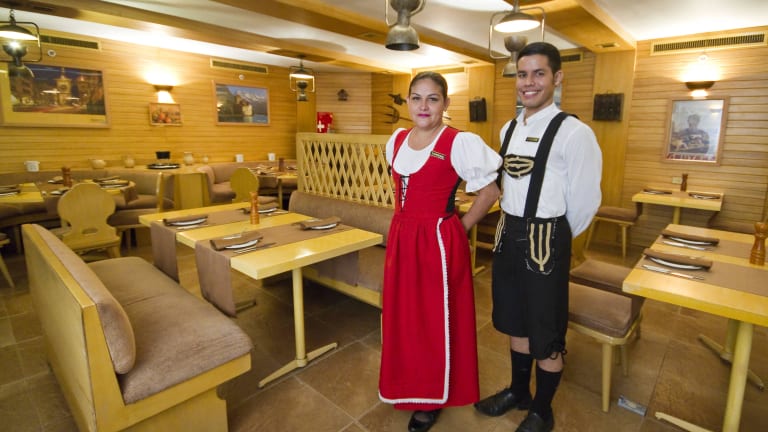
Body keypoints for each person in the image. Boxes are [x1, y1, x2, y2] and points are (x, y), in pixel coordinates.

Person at [474, 42, 602, 432]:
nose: (529, 82)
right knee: (515, 322)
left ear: (557, 78)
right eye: (523, 74)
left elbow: (585, 203)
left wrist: (552, 240)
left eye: (539, 74)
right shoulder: (509, 128)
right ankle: (519, 392)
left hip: (546, 240)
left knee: (545, 331)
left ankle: (542, 411)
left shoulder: (575, 133)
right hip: (508, 232)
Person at [378, 71, 502, 432]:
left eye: (432, 99)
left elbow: (490, 192)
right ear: (407, 101)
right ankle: (408, 386)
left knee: (434, 322)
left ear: (445, 104)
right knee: (404, 319)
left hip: (437, 242)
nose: (423, 106)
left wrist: (460, 227)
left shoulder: (458, 142)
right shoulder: (397, 139)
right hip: (402, 238)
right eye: (416, 98)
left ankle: (431, 398)